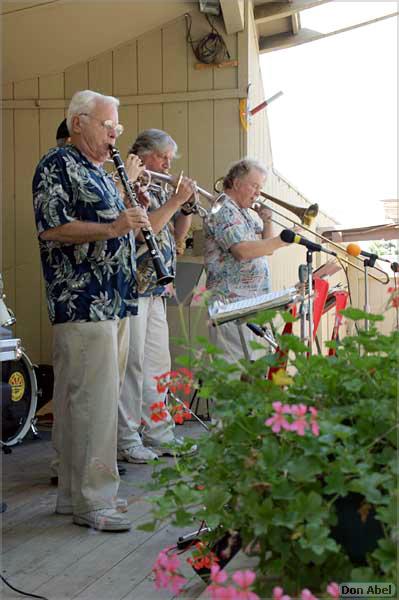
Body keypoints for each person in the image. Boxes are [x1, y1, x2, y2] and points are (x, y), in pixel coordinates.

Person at [32, 89, 150, 531]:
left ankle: (72, 497)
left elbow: (117, 234)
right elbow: (52, 228)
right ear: (78, 122)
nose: (115, 133)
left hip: (114, 300)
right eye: (107, 125)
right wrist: (115, 225)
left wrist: (130, 227)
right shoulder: (57, 164)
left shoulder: (100, 171)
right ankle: (95, 502)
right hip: (83, 303)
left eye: (117, 126)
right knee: (94, 406)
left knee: (86, 401)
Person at [117, 129, 198, 464]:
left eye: (169, 159)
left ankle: (159, 433)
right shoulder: (130, 182)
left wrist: (187, 209)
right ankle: (127, 437)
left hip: (158, 288)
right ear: (144, 153)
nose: (167, 164)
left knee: (157, 364)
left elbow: (175, 236)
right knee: (131, 365)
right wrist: (176, 202)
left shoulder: (162, 186)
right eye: (163, 157)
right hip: (134, 287)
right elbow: (140, 231)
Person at [203, 158, 288, 363]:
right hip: (231, 306)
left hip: (248, 306)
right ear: (237, 183)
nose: (258, 193)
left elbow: (265, 249)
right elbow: (241, 251)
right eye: (255, 186)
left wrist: (267, 222)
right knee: (234, 374)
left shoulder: (242, 212)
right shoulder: (224, 209)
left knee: (252, 373)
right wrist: (282, 240)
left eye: (260, 187)